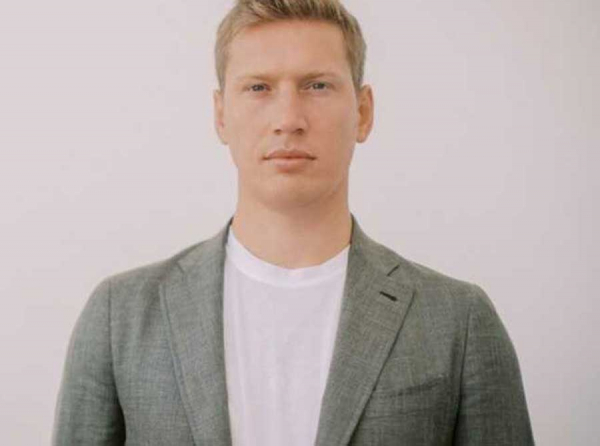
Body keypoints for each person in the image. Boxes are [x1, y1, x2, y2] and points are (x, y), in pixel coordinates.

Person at [51, 0, 535, 444]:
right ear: (221, 115)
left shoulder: (458, 321)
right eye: (258, 88)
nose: (288, 118)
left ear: (363, 112)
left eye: (317, 85)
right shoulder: (120, 317)